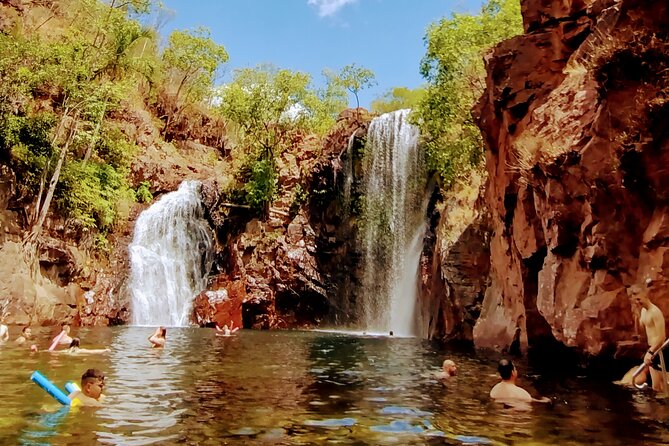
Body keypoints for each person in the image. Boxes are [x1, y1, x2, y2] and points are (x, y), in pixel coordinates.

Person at [628, 282, 667, 392]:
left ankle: (662, 407)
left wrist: (650, 352)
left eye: (639, 299)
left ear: (645, 296)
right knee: (658, 387)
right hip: (651, 349)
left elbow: (662, 337)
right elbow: (640, 333)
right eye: (635, 300)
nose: (637, 302)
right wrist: (636, 316)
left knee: (658, 388)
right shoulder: (644, 311)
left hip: (659, 350)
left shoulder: (655, 312)